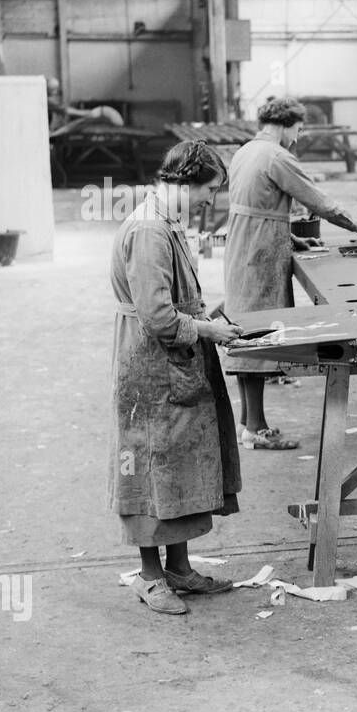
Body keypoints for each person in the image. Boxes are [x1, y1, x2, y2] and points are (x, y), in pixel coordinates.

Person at [108, 142, 244, 616]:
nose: (211, 201)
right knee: (151, 465)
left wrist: (209, 317)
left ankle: (179, 568)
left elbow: (176, 303)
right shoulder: (150, 231)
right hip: (151, 365)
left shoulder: (168, 221)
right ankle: (150, 577)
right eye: (208, 191)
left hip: (174, 362)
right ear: (184, 182)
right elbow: (159, 318)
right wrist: (210, 331)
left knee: (180, 463)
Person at [223, 96, 357, 449]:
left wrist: (291, 237)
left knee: (245, 334)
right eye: (297, 129)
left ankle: (248, 424)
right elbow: (318, 201)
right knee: (260, 338)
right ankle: (256, 429)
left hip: (243, 247)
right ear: (286, 123)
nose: (297, 137)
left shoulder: (245, 151)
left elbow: (256, 209)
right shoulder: (277, 156)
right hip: (259, 255)